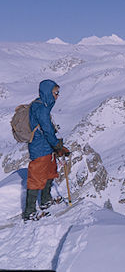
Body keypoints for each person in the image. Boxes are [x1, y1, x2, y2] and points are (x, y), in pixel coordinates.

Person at [23, 79, 70, 221]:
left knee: (50, 172)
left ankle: (45, 201)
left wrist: (55, 146)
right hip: (40, 149)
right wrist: (58, 146)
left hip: (46, 147)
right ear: (48, 93)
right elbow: (48, 131)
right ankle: (29, 212)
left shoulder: (41, 105)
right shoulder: (42, 109)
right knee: (36, 178)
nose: (57, 96)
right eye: (56, 93)